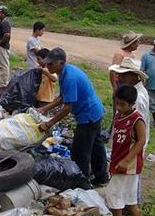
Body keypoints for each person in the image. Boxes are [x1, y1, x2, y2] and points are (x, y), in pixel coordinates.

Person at [37, 48, 109, 185]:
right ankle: (101, 177)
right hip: (94, 111)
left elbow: (67, 108)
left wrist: (49, 123)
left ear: (61, 63)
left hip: (88, 115)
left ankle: (82, 182)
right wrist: (44, 108)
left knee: (79, 151)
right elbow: (63, 97)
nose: (47, 66)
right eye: (47, 63)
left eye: (50, 64)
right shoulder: (65, 72)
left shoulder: (69, 77)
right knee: (96, 145)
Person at [105, 85, 150, 216]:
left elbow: (141, 141)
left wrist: (126, 160)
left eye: (122, 104)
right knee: (129, 197)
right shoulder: (119, 115)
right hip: (118, 160)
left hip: (128, 165)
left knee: (113, 194)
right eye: (116, 103)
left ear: (132, 104)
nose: (118, 107)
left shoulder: (137, 119)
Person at [0, 5, 11, 87]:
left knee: (3, 66)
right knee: (1, 65)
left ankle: (4, 84)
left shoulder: (5, 22)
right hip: (1, 47)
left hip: (2, 47)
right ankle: (2, 83)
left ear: (4, 13)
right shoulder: (3, 21)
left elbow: (7, 35)